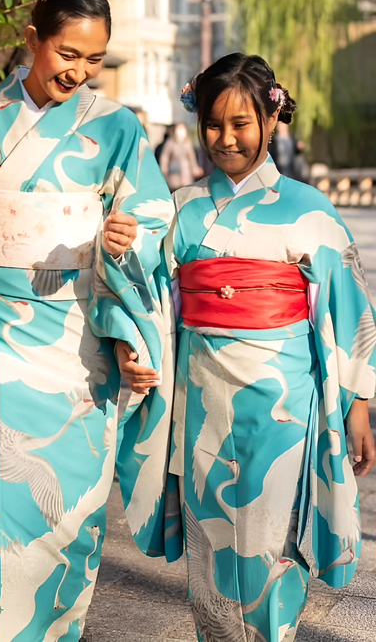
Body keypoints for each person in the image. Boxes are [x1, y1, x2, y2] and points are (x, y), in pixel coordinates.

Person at [0, 0, 174, 642]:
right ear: (31, 40)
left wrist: (123, 236)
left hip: (79, 348)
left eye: (94, 60)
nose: (78, 72)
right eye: (66, 53)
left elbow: (153, 217)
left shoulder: (116, 128)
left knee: (70, 523)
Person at [120, 53, 376, 642]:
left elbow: (351, 309)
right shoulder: (179, 209)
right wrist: (133, 332)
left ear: (271, 117)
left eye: (242, 123)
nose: (226, 138)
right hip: (201, 395)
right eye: (214, 124)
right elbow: (151, 299)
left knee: (271, 537)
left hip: (283, 401)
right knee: (211, 548)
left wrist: (358, 406)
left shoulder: (307, 209)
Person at [159, 122, 204, 191]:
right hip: (173, 172)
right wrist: (164, 168)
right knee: (174, 189)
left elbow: (191, 157)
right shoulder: (170, 142)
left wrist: (195, 169)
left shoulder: (187, 142)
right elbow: (165, 157)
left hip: (185, 173)